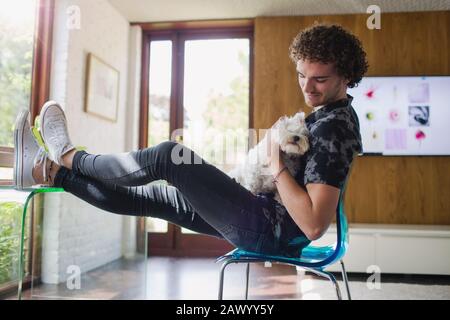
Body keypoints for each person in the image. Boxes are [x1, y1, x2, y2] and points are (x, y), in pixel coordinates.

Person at [13, 23, 367, 258]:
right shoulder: (326, 116)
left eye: (319, 79)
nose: (307, 87)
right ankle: (49, 172)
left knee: (169, 155)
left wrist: (275, 163)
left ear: (346, 76)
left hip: (269, 228)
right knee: (151, 198)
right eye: (301, 75)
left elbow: (314, 224)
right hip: (261, 214)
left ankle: (68, 154)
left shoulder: (335, 129)